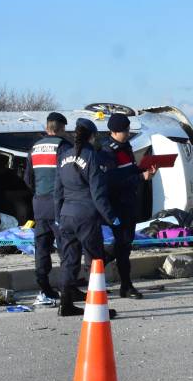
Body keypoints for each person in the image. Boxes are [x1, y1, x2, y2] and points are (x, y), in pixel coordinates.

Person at [54, 118, 121, 318]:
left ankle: (65, 304)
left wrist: (59, 216)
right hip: (86, 217)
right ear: (92, 136)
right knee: (95, 262)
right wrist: (111, 218)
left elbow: (57, 191)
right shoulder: (92, 156)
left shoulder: (63, 156)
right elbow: (98, 194)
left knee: (69, 261)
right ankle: (98, 308)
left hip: (66, 215)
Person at [101, 112, 156, 299]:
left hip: (129, 203)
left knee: (125, 244)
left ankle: (97, 265)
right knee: (123, 246)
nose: (127, 133)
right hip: (118, 204)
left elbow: (129, 170)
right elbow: (112, 181)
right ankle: (125, 285)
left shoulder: (126, 148)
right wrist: (141, 177)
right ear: (114, 132)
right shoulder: (108, 152)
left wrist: (144, 169)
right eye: (124, 131)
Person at [23, 111, 73, 307]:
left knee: (42, 247)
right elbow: (69, 175)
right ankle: (68, 287)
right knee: (66, 247)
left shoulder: (33, 148)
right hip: (59, 204)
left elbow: (28, 179)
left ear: (46, 128)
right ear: (61, 129)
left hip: (39, 204)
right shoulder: (64, 146)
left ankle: (44, 287)